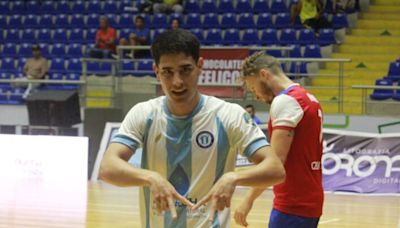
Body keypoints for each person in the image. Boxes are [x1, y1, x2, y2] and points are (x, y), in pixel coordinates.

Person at [100, 29, 285, 228]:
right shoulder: (144, 114)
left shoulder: (229, 115)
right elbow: (108, 167)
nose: (177, 81)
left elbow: (275, 169)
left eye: (185, 70)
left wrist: (234, 177)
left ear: (200, 66)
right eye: (167, 72)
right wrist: (150, 178)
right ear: (156, 71)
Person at [234, 52, 324, 228]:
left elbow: (275, 164)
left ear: (264, 75)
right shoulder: (308, 98)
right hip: (310, 200)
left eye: (253, 88)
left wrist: (247, 200)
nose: (256, 95)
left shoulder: (286, 101)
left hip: (293, 204)